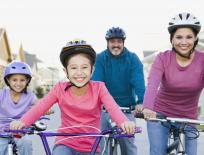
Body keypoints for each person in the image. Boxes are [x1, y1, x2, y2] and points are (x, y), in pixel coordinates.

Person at [10, 39, 136, 155]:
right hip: (65, 142)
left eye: (84, 67)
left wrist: (124, 122)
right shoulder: (59, 88)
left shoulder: (99, 88)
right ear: (66, 71)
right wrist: (22, 122)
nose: (79, 72)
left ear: (92, 70)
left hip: (92, 144)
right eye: (74, 68)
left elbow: (113, 108)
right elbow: (40, 108)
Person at [142, 12, 203, 155]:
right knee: (158, 152)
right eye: (179, 37)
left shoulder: (202, 60)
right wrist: (147, 107)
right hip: (160, 115)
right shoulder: (163, 58)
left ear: (195, 39)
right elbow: (152, 84)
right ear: (172, 39)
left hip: (189, 118)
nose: (184, 42)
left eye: (189, 37)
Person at [92, 27, 145, 155]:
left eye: (119, 41)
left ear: (123, 42)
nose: (116, 45)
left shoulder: (132, 59)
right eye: (112, 42)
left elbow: (138, 81)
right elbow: (97, 82)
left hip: (125, 109)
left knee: (128, 144)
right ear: (107, 43)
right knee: (100, 146)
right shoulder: (100, 58)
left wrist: (141, 101)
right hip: (104, 109)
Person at [0, 61, 37, 155]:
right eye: (14, 80)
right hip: (1, 132)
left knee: (26, 143)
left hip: (19, 132)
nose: (18, 83)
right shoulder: (2, 94)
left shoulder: (30, 96)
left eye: (22, 80)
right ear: (8, 80)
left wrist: (46, 110)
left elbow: (39, 106)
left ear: (27, 81)